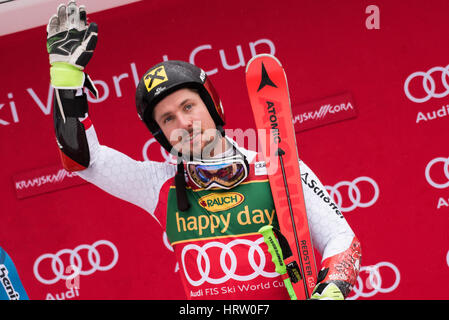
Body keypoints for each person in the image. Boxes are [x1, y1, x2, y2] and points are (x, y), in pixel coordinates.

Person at [46, 1, 361, 300]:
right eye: (168, 118)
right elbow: (84, 160)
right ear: (162, 134)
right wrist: (65, 80)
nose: (183, 122)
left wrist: (330, 291)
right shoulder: (159, 185)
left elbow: (343, 240)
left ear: (213, 107)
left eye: (188, 106)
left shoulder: (275, 165)